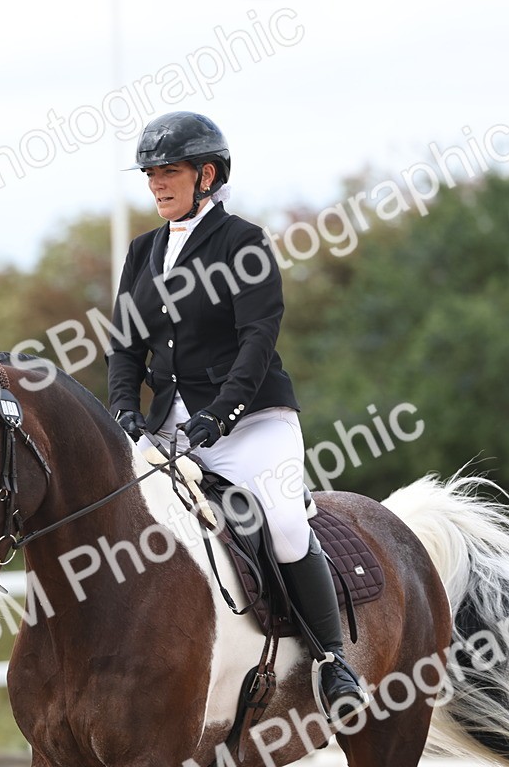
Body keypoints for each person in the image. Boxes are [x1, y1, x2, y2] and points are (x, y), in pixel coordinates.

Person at [106, 110, 367, 714]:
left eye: (168, 171)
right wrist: (124, 408)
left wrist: (218, 417)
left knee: (281, 523)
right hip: (170, 423)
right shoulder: (143, 251)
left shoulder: (243, 242)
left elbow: (257, 342)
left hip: (250, 423)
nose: (157, 184)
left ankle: (333, 663)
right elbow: (126, 344)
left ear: (208, 174)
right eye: (150, 174)